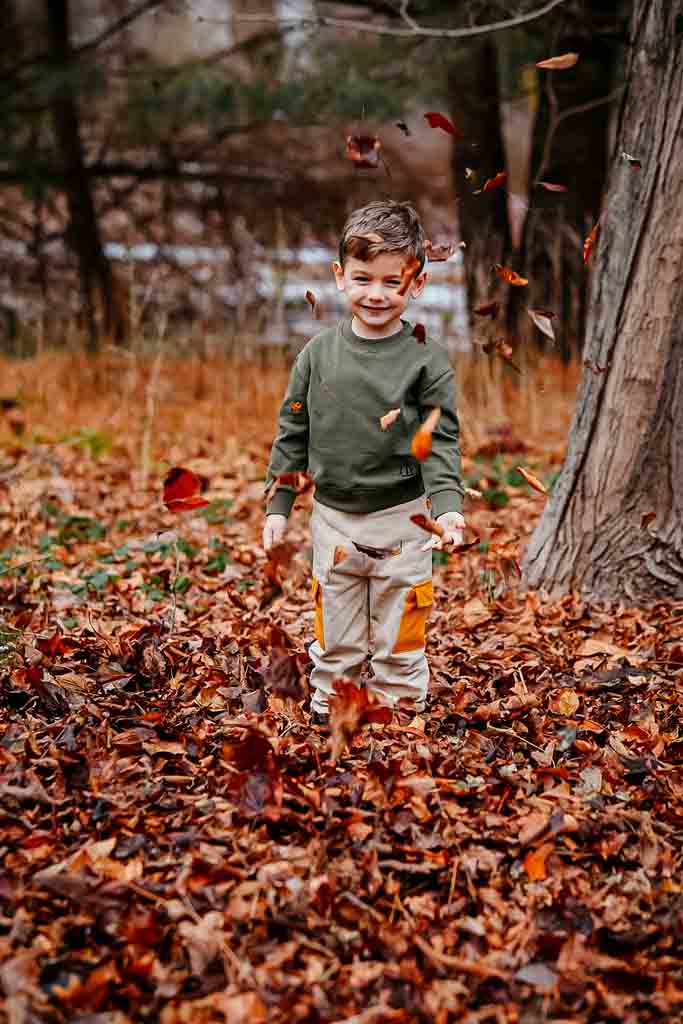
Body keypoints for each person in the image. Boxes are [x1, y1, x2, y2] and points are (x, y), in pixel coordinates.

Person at [262, 200, 465, 724]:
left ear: (415, 283)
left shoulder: (427, 359)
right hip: (333, 522)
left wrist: (446, 507)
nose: (376, 294)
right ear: (340, 276)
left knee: (402, 635)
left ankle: (398, 720)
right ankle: (334, 717)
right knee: (337, 638)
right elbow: (292, 433)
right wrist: (278, 506)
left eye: (392, 282)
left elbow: (441, 438)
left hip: (405, 517)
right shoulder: (316, 356)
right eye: (363, 278)